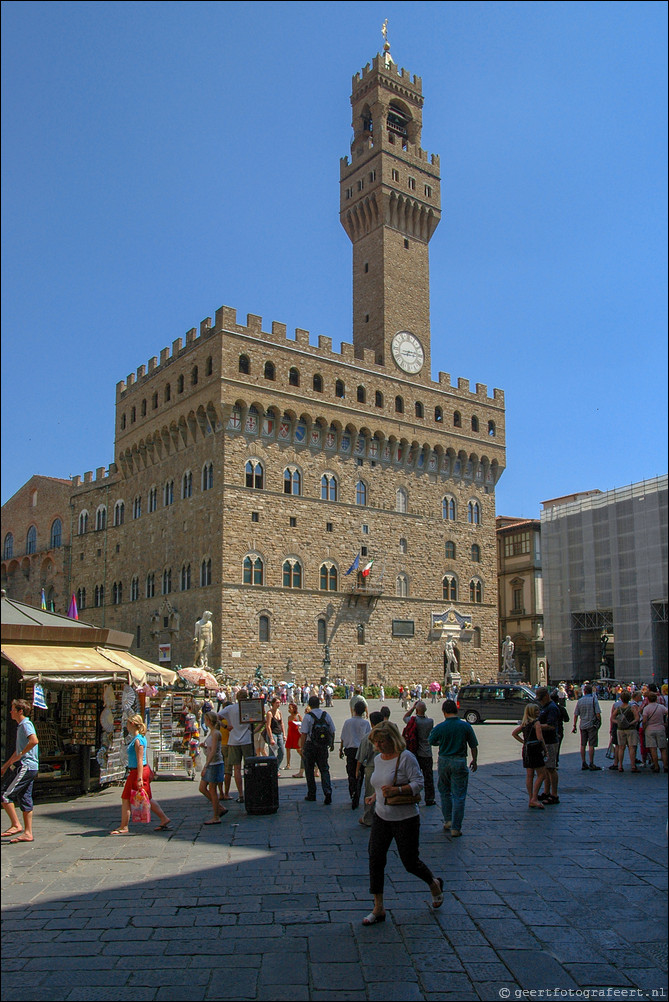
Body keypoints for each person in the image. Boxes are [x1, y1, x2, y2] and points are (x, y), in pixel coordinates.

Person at [362, 721, 444, 925]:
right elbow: (379, 782)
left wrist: (398, 791)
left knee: (410, 862)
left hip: (405, 818)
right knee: (375, 859)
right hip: (382, 816)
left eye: (382, 742)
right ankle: (378, 907)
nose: (378, 746)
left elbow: (419, 783)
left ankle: (433, 883)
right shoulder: (379, 759)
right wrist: (374, 797)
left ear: (392, 739)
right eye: (376, 742)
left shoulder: (407, 758)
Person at [111, 715, 171, 834]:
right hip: (142, 770)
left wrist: (139, 778)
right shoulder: (141, 738)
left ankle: (124, 826)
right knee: (146, 796)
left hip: (137, 772)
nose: (126, 727)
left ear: (132, 724)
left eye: (127, 724)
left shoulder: (137, 740)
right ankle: (164, 818)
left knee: (126, 798)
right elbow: (144, 757)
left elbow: (139, 760)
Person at [428, 699, 478, 837]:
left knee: (444, 791)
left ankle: (448, 820)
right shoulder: (465, 726)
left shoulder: (440, 727)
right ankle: (456, 828)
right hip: (460, 760)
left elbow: (431, 741)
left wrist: (442, 742)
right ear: (456, 710)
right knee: (459, 795)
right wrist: (475, 760)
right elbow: (473, 745)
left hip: (444, 760)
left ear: (444, 712)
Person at [1, 699, 40, 843]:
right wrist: (5, 766)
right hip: (30, 766)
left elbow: (34, 741)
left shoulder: (25, 724)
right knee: (25, 798)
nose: (10, 711)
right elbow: (17, 752)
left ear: (20, 711)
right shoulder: (21, 726)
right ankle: (28, 833)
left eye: (12, 709)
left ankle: (16, 825)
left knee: (4, 795)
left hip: (26, 766)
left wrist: (22, 754)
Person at [218, 689, 255, 803]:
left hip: (233, 740)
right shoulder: (249, 707)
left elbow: (215, 717)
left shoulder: (230, 708)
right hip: (247, 740)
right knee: (249, 767)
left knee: (237, 769)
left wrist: (225, 726)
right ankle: (251, 792)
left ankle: (241, 795)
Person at [300, 695, 335, 804]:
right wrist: (332, 743)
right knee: (324, 769)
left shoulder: (307, 717)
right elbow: (332, 730)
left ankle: (312, 794)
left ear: (309, 705)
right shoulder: (326, 715)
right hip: (323, 746)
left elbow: (304, 734)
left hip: (310, 746)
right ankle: (327, 791)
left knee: (309, 770)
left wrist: (302, 748)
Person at [512, 705, 547, 808]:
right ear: (532, 712)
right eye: (536, 710)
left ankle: (530, 798)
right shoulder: (536, 723)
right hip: (535, 748)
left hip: (526, 749)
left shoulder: (525, 723)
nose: (538, 711)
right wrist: (545, 750)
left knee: (530, 775)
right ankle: (534, 798)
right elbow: (540, 738)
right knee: (542, 774)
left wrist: (524, 742)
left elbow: (514, 733)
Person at [402, 700, 436, 806]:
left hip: (415, 752)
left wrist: (412, 708)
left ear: (416, 710)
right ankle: (429, 799)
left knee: (414, 777)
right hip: (426, 752)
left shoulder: (413, 721)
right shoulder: (430, 721)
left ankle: (414, 797)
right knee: (428, 776)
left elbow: (405, 717)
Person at [340, 701, 371, 809]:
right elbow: (368, 739)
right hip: (361, 750)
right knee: (360, 773)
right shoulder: (366, 723)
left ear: (354, 710)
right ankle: (357, 793)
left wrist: (340, 749)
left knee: (351, 772)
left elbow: (343, 737)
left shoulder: (348, 722)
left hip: (350, 750)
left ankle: (353, 791)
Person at [199, 711, 227, 824]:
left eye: (205, 720)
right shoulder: (211, 732)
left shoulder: (216, 733)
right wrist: (204, 747)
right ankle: (219, 808)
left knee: (212, 790)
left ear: (209, 721)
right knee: (202, 788)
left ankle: (216, 816)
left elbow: (214, 751)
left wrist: (206, 766)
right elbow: (210, 750)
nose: (204, 722)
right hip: (211, 763)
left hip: (214, 764)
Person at [356, 711, 383, 826]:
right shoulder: (389, 735)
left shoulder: (368, 737)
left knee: (369, 793)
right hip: (387, 766)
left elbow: (361, 757)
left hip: (371, 768)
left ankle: (368, 818)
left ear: (371, 723)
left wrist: (357, 771)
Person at [536, 686, 560, 804]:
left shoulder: (552, 708)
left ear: (546, 696)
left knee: (551, 768)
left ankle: (554, 795)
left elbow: (551, 726)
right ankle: (546, 792)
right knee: (546, 768)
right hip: (545, 741)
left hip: (550, 741)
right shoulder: (545, 706)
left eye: (541, 699)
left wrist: (537, 726)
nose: (540, 701)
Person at [572, 684, 602, 771]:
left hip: (582, 724)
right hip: (592, 724)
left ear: (584, 692)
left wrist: (574, 725)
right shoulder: (594, 700)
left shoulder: (580, 701)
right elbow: (598, 714)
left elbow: (576, 714)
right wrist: (599, 721)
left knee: (583, 744)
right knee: (591, 745)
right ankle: (591, 763)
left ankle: (583, 762)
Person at [612, 692, 640, 772]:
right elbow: (637, 718)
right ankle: (633, 766)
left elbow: (612, 718)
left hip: (620, 729)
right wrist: (631, 723)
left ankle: (620, 766)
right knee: (631, 747)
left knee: (621, 747)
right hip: (631, 729)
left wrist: (618, 722)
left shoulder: (618, 708)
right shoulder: (631, 708)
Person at [641, 692, 668, 773]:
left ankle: (656, 766)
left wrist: (644, 728)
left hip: (650, 729)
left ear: (648, 699)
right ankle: (666, 766)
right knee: (663, 749)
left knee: (653, 749)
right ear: (656, 699)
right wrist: (666, 723)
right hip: (660, 728)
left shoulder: (646, 708)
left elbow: (644, 720)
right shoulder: (661, 707)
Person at [265, 696, 286, 770]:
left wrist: (284, 734)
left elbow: (282, 723)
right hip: (273, 734)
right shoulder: (269, 713)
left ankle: (275, 768)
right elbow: (268, 726)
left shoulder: (279, 712)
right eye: (277, 703)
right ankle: (271, 769)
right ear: (273, 704)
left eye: (279, 702)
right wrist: (271, 738)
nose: (278, 704)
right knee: (272, 753)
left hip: (279, 733)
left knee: (282, 752)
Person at [285, 703, 304, 775]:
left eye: (290, 708)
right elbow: (288, 726)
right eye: (289, 708)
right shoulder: (289, 717)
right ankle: (288, 764)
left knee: (298, 749)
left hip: (296, 734)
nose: (289, 709)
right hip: (290, 734)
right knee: (288, 748)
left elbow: (302, 724)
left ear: (294, 708)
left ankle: (304, 759)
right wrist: (286, 734)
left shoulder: (298, 716)